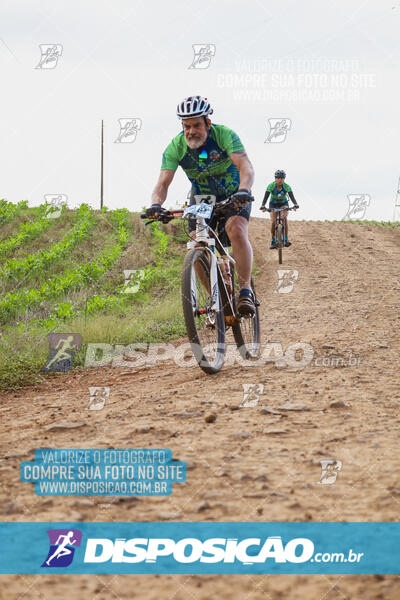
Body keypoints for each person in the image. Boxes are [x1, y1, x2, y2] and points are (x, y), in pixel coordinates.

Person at [146, 95, 256, 315]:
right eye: (186, 126)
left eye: (196, 125)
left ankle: (245, 291)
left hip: (233, 192)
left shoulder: (224, 135)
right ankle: (220, 300)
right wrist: (156, 204)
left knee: (235, 230)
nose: (191, 131)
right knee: (197, 245)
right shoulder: (176, 147)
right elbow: (163, 182)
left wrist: (244, 190)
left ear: (208, 122)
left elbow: (246, 167)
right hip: (203, 199)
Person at [260, 170, 299, 248]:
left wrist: (295, 204)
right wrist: (263, 205)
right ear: (275, 178)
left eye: (282, 178)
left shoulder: (287, 186)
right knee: (273, 221)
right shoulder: (271, 186)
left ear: (284, 179)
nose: (280, 180)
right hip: (273, 203)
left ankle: (286, 239)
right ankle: (273, 240)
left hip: (283, 204)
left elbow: (292, 197)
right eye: (278, 178)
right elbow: (266, 197)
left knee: (284, 218)